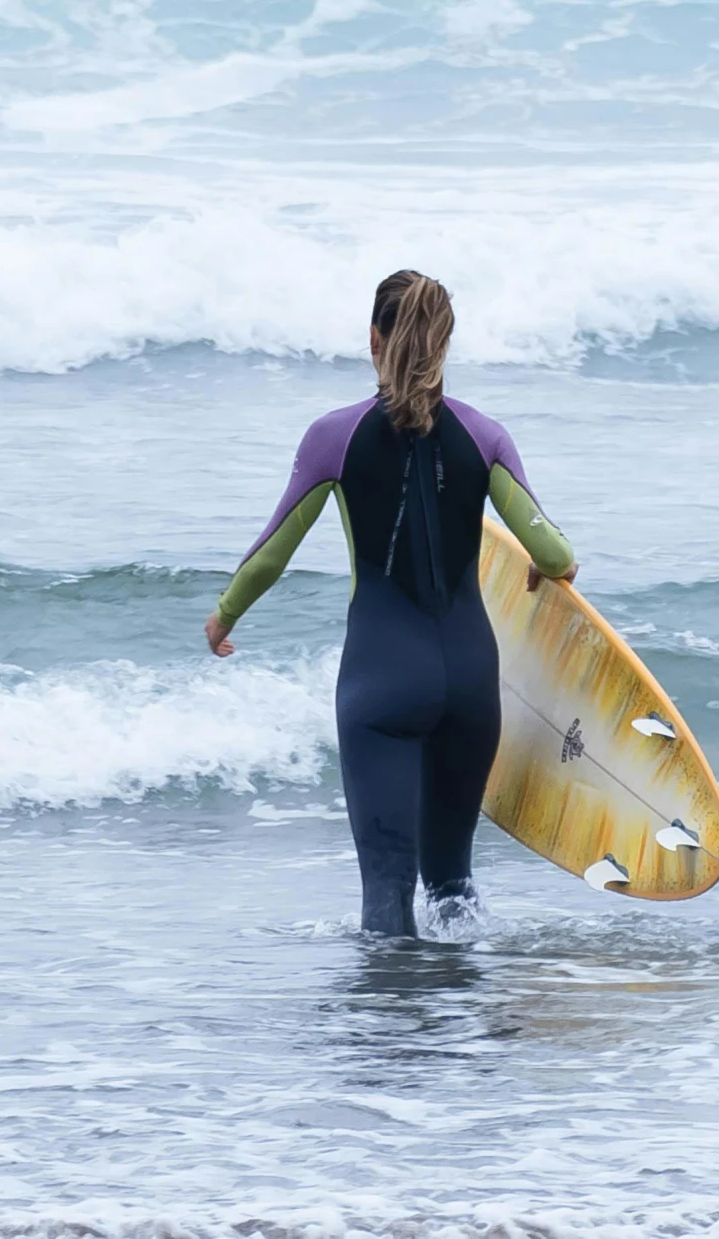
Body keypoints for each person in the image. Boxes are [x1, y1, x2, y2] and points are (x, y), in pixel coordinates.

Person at [204, 269, 577, 938]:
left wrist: (224, 615)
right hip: (469, 684)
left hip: (381, 685)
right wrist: (549, 567)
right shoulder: (485, 436)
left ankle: (389, 1035)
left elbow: (268, 556)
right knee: (453, 887)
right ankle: (460, 1035)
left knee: (386, 899)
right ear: (445, 344)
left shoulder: (334, 437)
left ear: (373, 339)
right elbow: (551, 553)